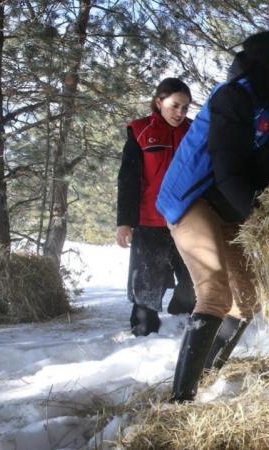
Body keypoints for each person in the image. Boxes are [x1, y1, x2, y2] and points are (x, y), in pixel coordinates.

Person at [157, 31, 269, 402]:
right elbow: (227, 171)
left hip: (231, 205)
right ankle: (180, 402)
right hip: (194, 198)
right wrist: (262, 220)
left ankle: (208, 373)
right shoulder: (234, 98)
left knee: (247, 299)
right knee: (214, 293)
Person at [116, 77, 196, 337]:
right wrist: (125, 222)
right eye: (175, 105)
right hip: (150, 221)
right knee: (147, 285)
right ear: (159, 101)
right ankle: (143, 332)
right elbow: (128, 179)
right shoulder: (140, 131)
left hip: (187, 221)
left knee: (193, 280)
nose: (180, 113)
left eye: (185, 107)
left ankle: (179, 323)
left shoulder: (194, 132)